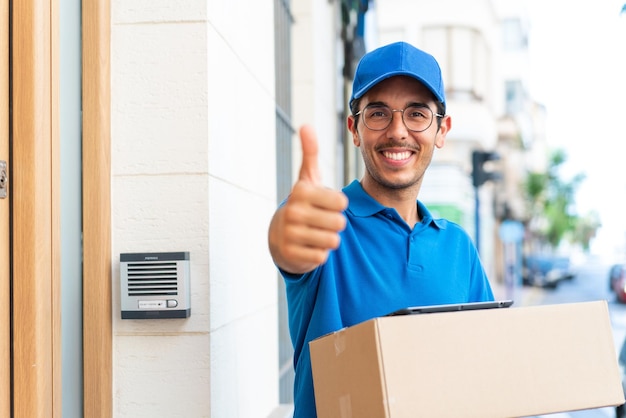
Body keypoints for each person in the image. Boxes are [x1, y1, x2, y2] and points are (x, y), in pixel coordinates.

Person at [268, 41, 495, 418]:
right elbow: (291, 244)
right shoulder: (326, 225)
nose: (398, 131)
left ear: (442, 130)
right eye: (378, 113)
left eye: (417, 113)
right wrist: (285, 230)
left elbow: (488, 362)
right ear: (354, 128)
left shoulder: (459, 247)